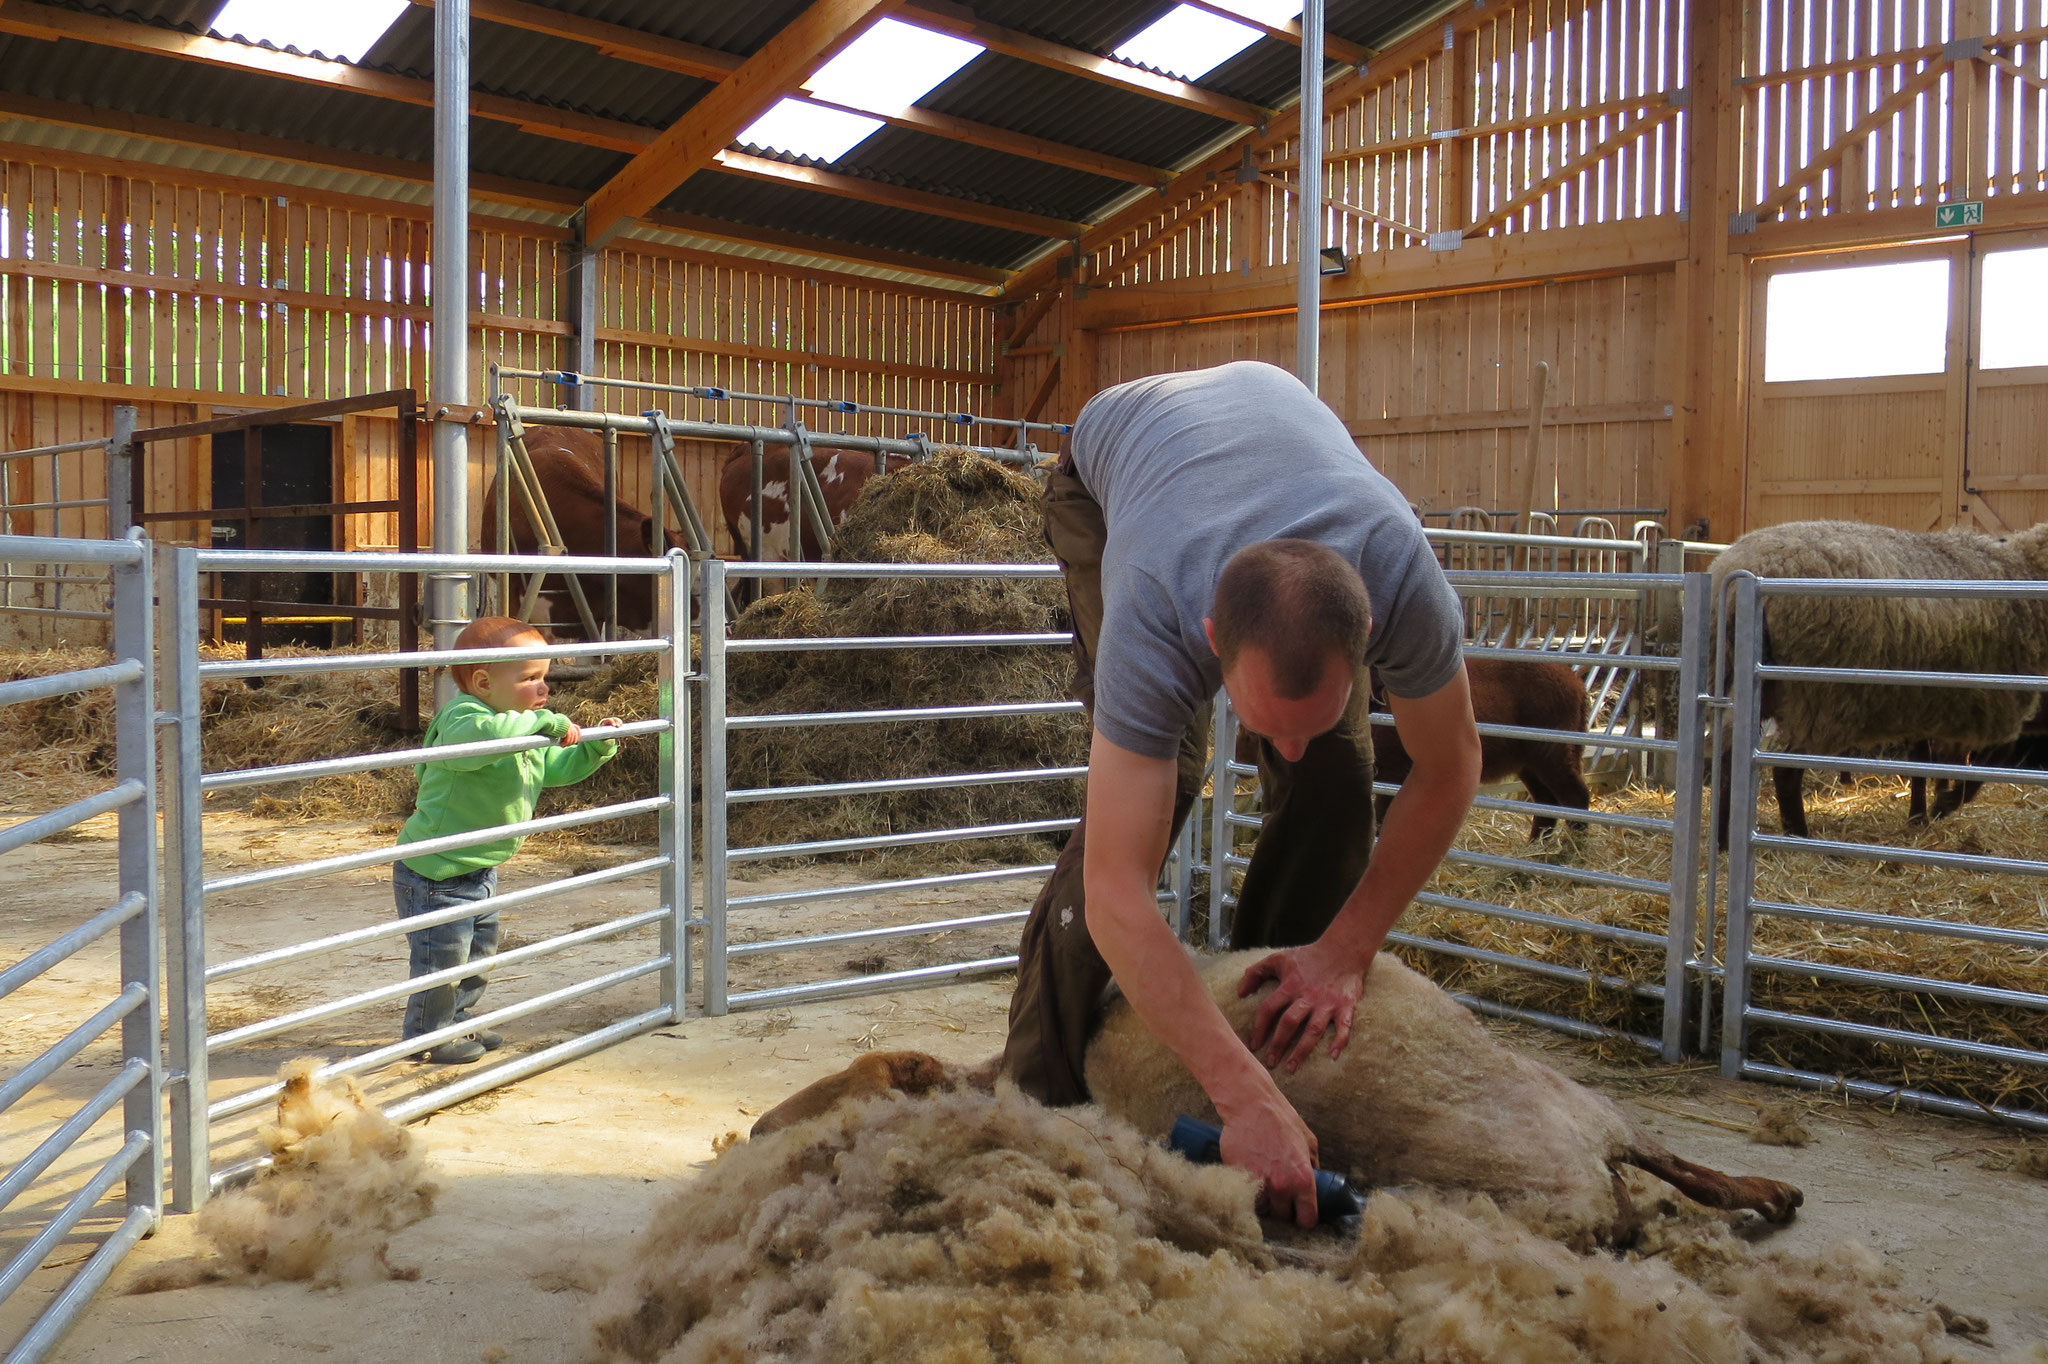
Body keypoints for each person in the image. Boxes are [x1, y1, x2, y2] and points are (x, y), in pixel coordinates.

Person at [1002, 360, 1483, 1227]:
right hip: (1118, 477)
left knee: (1334, 770)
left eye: (1307, 714)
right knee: (1164, 787)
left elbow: (1450, 769)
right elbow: (1116, 893)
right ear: (1212, 641)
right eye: (1263, 719)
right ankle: (1039, 1081)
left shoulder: (1403, 578)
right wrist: (1236, 1096)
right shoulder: (1156, 602)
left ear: (1366, 637)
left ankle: (1276, 1024)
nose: (1275, 745)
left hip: (1266, 464)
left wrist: (1343, 952)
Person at [394, 616, 621, 1064]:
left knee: (478, 957)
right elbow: (483, 742)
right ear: (482, 682)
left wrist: (594, 747)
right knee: (442, 963)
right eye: (530, 679)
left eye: (545, 678)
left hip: (479, 868)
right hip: (436, 871)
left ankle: (459, 1020)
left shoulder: (521, 729)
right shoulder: (465, 718)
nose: (544, 690)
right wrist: (543, 721)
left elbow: (555, 768)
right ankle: (427, 1036)